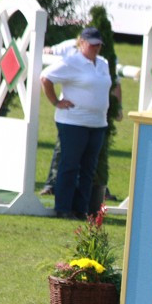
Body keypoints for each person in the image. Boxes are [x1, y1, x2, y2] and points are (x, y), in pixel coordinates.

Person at [40, 27, 112, 219]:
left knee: (88, 167)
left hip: (97, 122)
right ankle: (63, 207)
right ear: (82, 43)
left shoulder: (103, 63)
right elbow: (46, 78)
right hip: (73, 121)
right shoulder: (71, 61)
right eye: (92, 44)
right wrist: (56, 101)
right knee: (70, 165)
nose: (96, 48)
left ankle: (81, 209)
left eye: (98, 45)